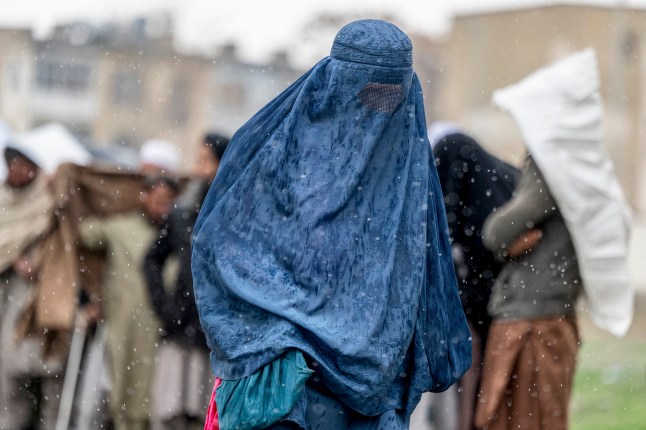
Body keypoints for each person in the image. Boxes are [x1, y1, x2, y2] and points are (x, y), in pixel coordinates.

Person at [192, 19, 472, 429]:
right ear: (338, 83)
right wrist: (282, 327)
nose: (377, 110)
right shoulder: (277, 151)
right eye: (367, 94)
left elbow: (423, 276)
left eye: (389, 97)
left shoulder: (405, 177)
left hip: (374, 389)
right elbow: (220, 243)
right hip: (286, 379)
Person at [474, 49, 632, 430]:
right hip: (549, 314)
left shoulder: (551, 162)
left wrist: (499, 238)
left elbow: (496, 229)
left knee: (522, 420)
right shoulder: (581, 159)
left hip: (531, 320)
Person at [427, 130, 519, 430]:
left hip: (502, 311)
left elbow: (477, 247)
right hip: (497, 310)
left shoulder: (476, 183)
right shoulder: (491, 178)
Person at [78, 176, 178, 430]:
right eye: (158, 201)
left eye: (168, 203)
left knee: (156, 395)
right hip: (123, 327)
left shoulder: (177, 237)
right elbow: (85, 232)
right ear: (144, 196)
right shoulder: (121, 227)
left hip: (160, 331)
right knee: (121, 390)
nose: (162, 208)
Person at [145, 132, 229, 430]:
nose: (198, 169)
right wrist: (163, 305)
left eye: (205, 161)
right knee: (170, 412)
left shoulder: (233, 213)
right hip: (178, 327)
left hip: (216, 336)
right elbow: (152, 259)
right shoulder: (182, 213)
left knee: (207, 417)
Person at [0, 146, 63, 430]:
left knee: (44, 375)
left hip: (43, 297)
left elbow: (59, 235)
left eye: (23, 164)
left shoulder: (46, 199)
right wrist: (13, 259)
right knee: (10, 378)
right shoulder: (3, 201)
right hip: (8, 296)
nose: (17, 170)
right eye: (13, 164)